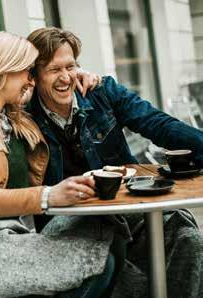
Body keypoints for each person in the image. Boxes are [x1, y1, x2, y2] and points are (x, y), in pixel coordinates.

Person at [27, 27, 203, 298]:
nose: (65, 78)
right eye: (53, 70)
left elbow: (157, 123)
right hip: (73, 224)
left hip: (129, 208)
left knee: (187, 238)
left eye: (71, 66)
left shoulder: (102, 92)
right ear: (34, 75)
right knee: (124, 278)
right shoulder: (24, 117)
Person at [0, 31, 117, 298]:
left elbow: (57, 89)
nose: (31, 79)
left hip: (17, 234)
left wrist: (82, 75)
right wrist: (48, 195)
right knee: (95, 264)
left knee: (109, 229)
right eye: (26, 72)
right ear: (2, 72)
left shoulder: (18, 120)